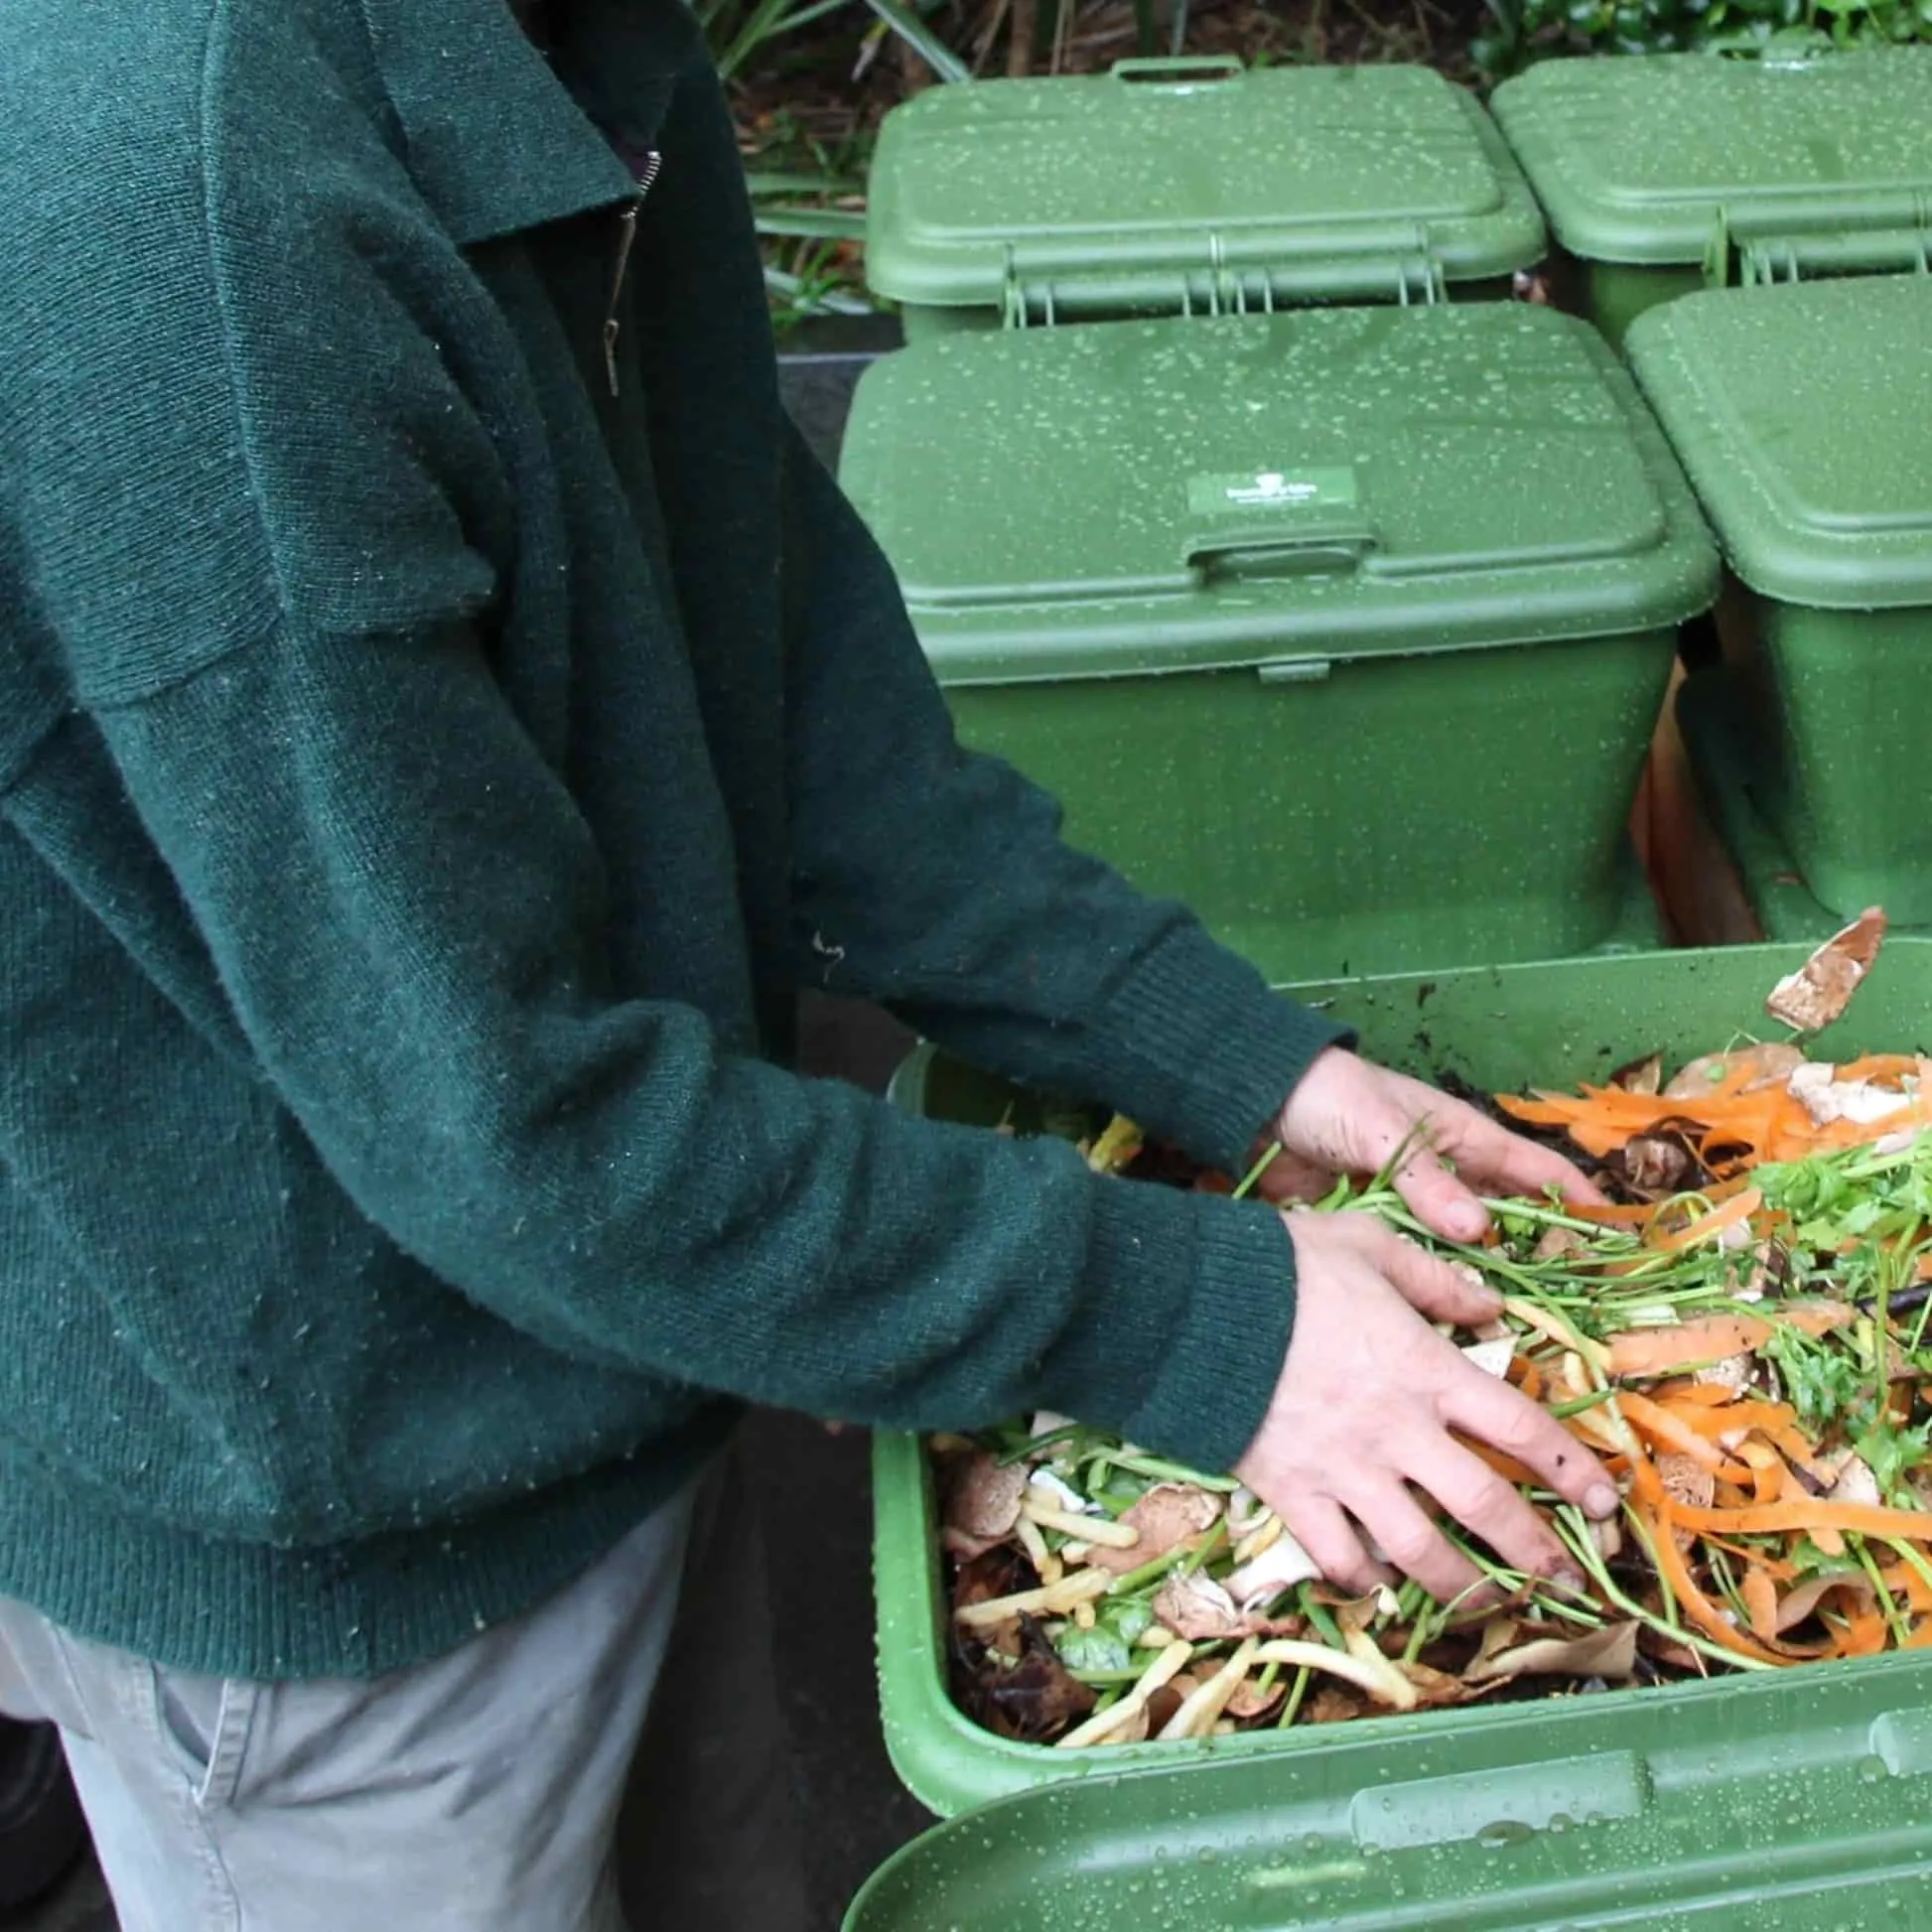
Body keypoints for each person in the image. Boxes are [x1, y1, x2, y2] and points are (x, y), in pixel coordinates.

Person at [0, 0, 1617, 1925]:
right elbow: (507, 1125)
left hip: (633, 1333)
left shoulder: (573, 57)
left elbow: (772, 680)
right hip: (335, 1529)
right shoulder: (181, 227)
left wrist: (1224, 1056)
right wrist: (1202, 1323)